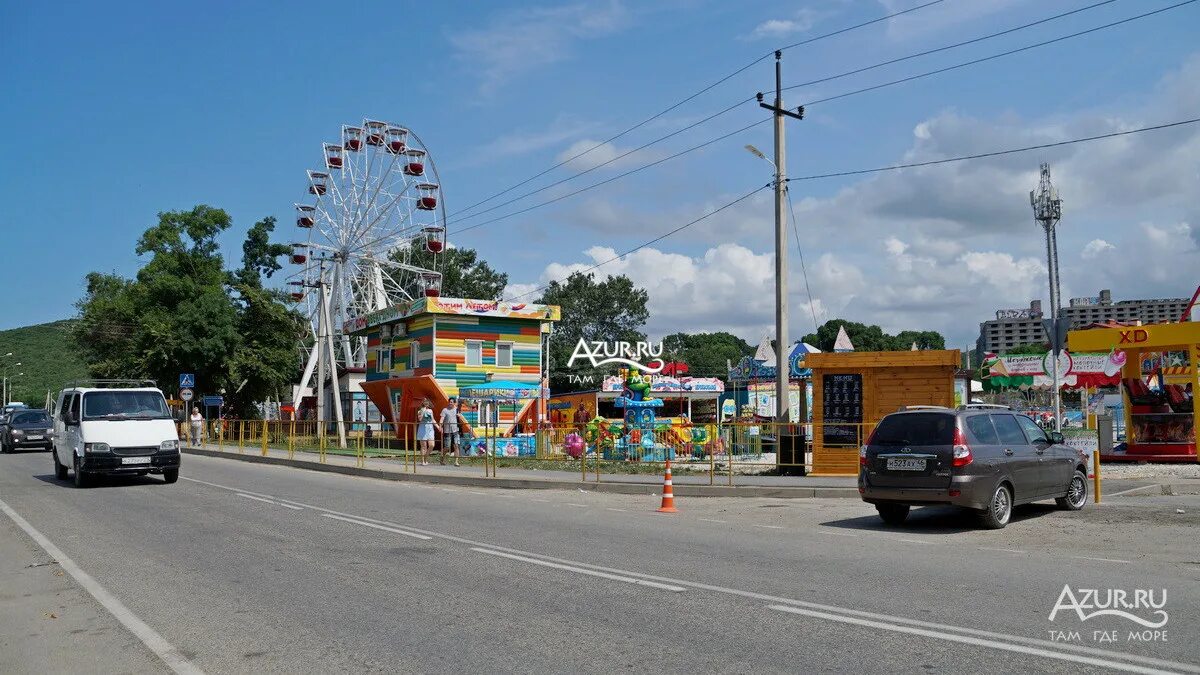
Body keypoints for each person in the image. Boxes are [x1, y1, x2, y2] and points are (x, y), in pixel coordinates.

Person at [416, 398, 439, 466]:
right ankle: (423, 460)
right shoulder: (420, 411)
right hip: (422, 429)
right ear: (422, 403)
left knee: (432, 445)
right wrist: (423, 411)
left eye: (427, 402)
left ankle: (426, 456)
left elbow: (433, 420)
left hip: (430, 429)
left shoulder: (430, 410)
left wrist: (438, 427)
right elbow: (420, 419)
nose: (426, 403)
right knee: (424, 446)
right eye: (425, 402)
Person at [439, 397, 461, 466]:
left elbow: (460, 418)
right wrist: (440, 426)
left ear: (454, 403)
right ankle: (442, 459)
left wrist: (459, 416)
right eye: (449, 402)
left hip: (455, 430)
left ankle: (456, 462)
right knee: (447, 447)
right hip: (447, 430)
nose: (450, 403)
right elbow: (442, 419)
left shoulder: (456, 409)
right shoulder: (445, 410)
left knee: (456, 446)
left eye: (452, 402)